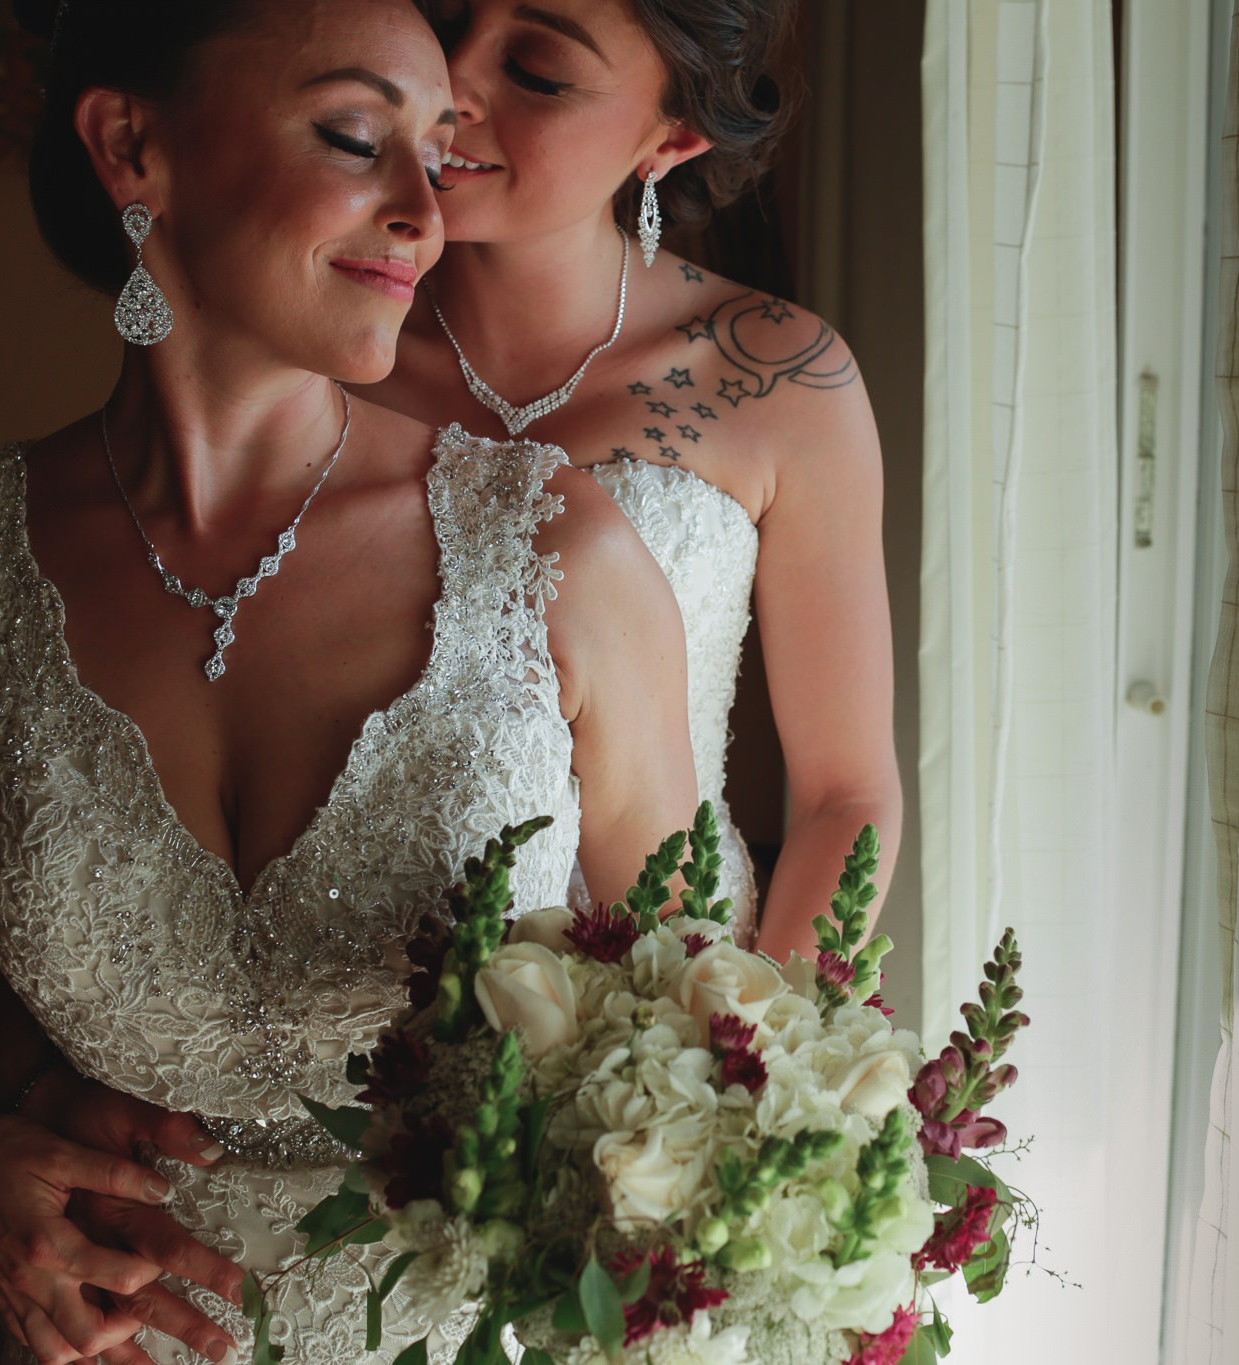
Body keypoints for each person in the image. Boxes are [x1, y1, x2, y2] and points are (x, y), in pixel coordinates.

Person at [0, 1, 697, 1361]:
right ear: (130, 148)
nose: (424, 210)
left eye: (436, 148)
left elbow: (693, 1014)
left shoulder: (554, 551)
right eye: (355, 135)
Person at [363, 0, 902, 963]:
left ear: (672, 135)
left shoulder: (782, 382)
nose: (453, 89)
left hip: (676, 1005)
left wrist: (752, 1061)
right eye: (444, 23)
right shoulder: (324, 356)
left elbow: (843, 796)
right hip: (372, 992)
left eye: (536, 70)